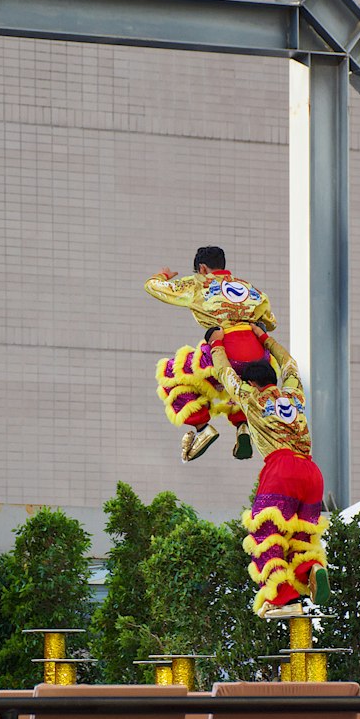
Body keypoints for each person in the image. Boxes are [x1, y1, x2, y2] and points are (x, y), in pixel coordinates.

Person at [208, 324, 330, 617]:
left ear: (252, 382)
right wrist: (264, 337)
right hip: (312, 472)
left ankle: (282, 597)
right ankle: (310, 568)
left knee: (266, 533)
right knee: (300, 537)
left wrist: (216, 344)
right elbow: (289, 363)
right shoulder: (294, 395)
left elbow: (225, 373)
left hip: (281, 469)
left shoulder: (251, 397)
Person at [145, 246, 278, 462]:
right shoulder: (248, 288)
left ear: (203, 268)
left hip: (226, 350)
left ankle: (202, 427)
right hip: (259, 355)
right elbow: (271, 322)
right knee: (238, 384)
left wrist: (163, 276)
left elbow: (153, 287)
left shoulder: (198, 284)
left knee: (171, 373)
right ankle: (243, 426)